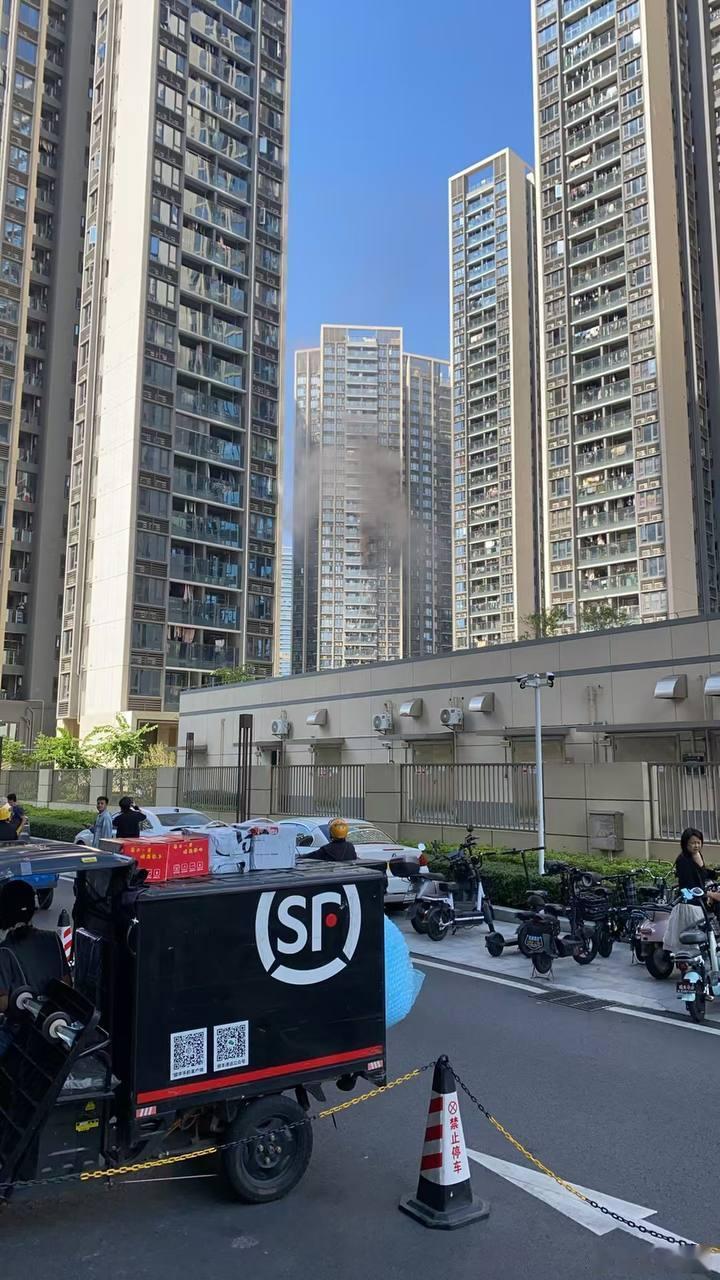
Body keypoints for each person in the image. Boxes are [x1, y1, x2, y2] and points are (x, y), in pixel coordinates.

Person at [0, 880, 69, 1013]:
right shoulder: (53, 939)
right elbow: (66, 984)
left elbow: (3, 1003)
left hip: (22, 1023)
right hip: (56, 1019)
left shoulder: (4, 951)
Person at [663, 827, 720, 957]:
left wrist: (715, 874)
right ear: (685, 844)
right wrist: (710, 895)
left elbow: (703, 873)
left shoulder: (697, 855)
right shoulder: (683, 860)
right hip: (690, 903)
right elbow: (689, 886)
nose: (696, 846)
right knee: (692, 945)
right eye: (693, 843)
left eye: (698, 842)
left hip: (700, 898)